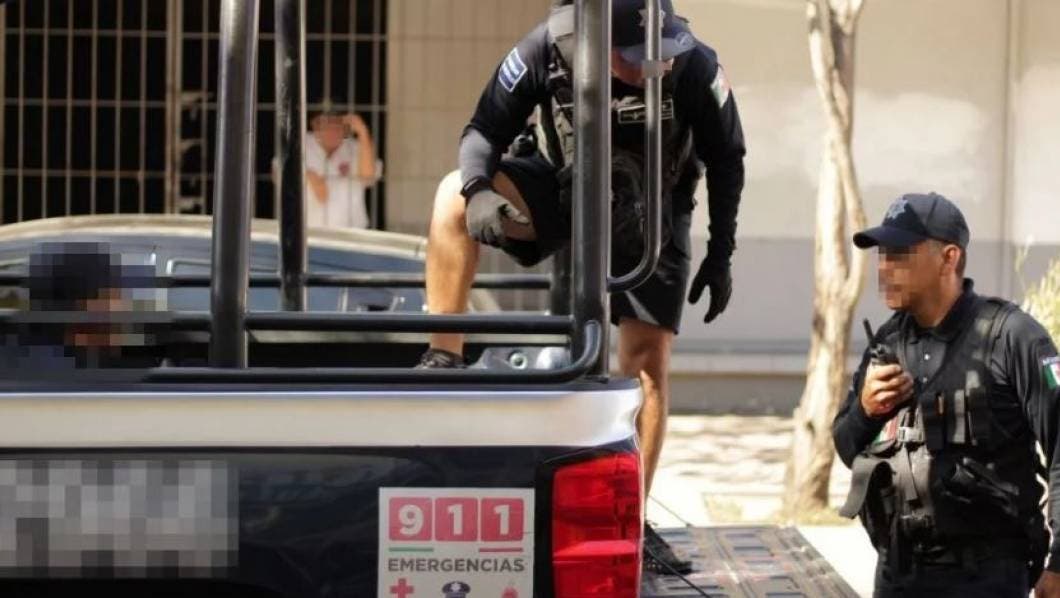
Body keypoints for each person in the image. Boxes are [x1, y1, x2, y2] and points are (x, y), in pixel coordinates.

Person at [417, 0, 746, 573]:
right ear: (598, 45)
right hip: (562, 189)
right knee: (450, 193)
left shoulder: (696, 65)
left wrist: (722, 254)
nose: (655, 65)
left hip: (653, 207)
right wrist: (479, 190)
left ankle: (631, 517)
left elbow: (728, 159)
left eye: (662, 52)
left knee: (648, 362)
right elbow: (482, 130)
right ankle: (444, 356)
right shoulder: (547, 47)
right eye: (635, 57)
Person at [834, 192, 1060, 597]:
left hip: (986, 579)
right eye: (882, 254)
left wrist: (1059, 565)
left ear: (949, 258)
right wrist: (865, 411)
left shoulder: (1011, 337)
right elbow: (847, 447)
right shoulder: (888, 341)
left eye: (899, 253)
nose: (884, 267)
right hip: (898, 575)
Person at [304, 101, 383, 229]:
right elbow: (277, 172)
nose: (332, 130)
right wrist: (307, 174)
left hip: (351, 231)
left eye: (337, 124)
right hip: (307, 230)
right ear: (314, 124)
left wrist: (363, 132)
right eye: (326, 124)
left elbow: (368, 177)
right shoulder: (300, 144)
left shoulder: (356, 147)